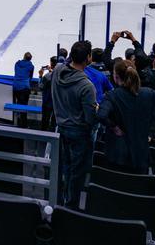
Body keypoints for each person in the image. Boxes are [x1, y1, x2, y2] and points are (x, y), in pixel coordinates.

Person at [97, 60, 155, 174]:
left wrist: (114, 127)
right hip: (141, 154)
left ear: (116, 76)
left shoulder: (112, 96)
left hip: (117, 155)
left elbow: (101, 115)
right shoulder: (149, 93)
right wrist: (152, 127)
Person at [51, 40, 97, 209]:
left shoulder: (57, 72)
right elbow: (90, 118)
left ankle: (62, 200)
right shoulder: (86, 86)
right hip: (79, 133)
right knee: (77, 172)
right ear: (88, 58)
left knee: (66, 167)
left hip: (61, 128)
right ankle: (71, 208)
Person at [13, 52, 34, 128]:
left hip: (16, 87)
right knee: (24, 106)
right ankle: (24, 125)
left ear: (24, 57)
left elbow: (16, 73)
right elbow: (30, 77)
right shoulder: (31, 66)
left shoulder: (17, 64)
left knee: (18, 104)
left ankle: (18, 122)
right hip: (24, 88)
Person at [39, 56, 58, 132]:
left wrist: (40, 76)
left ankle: (43, 136)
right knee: (54, 121)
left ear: (51, 63)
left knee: (45, 120)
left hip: (47, 102)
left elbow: (41, 87)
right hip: (57, 103)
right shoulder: (62, 75)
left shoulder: (47, 77)